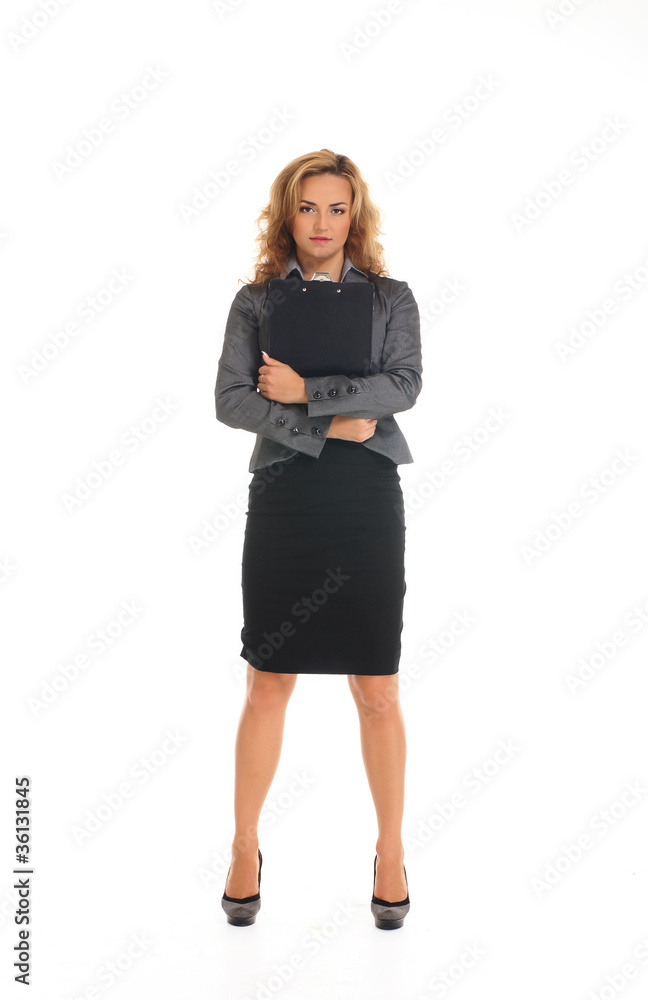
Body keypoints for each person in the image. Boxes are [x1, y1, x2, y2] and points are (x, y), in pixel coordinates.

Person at [215, 149, 422, 929]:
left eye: (337, 208)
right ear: (288, 213)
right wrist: (330, 420)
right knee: (268, 679)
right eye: (308, 207)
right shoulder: (256, 302)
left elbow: (403, 386)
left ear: (354, 215)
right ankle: (243, 845)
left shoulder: (392, 299)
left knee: (378, 688)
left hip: (365, 499)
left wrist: (308, 390)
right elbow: (231, 400)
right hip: (285, 499)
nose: (323, 223)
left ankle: (391, 851)